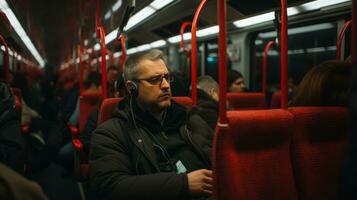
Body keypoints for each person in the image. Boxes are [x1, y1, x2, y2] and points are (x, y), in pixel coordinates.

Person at [89, 49, 213, 200]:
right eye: (155, 80)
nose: (166, 85)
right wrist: (183, 184)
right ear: (131, 88)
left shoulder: (191, 119)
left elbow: (217, 159)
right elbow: (110, 186)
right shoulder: (111, 133)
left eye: (167, 77)